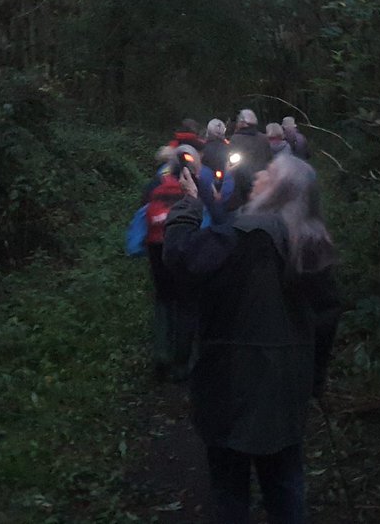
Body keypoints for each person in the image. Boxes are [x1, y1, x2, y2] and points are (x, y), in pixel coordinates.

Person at [164, 153, 341, 524]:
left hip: (230, 387)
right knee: (286, 482)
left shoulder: (240, 238)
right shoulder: (313, 246)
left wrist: (188, 206)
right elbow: (326, 319)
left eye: (270, 173)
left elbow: (181, 260)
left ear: (282, 191)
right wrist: (314, 379)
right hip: (287, 390)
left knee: (230, 489)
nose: (259, 173)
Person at [140, 144, 213, 381]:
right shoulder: (197, 186)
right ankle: (181, 364)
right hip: (185, 249)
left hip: (156, 247)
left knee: (163, 300)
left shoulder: (154, 185)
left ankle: (161, 353)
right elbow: (209, 218)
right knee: (185, 303)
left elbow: (142, 213)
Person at [227, 109, 271, 210]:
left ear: (242, 123)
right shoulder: (264, 138)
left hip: (240, 183)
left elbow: (232, 162)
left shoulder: (235, 139)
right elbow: (269, 159)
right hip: (260, 181)